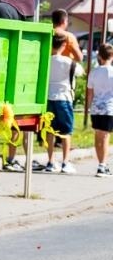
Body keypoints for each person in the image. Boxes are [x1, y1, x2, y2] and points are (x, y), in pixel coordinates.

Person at [39, 31, 80, 173]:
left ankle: (50, 161)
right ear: (64, 45)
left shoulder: (46, 61)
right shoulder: (69, 62)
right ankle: (65, 162)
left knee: (50, 131)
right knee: (66, 131)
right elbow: (80, 71)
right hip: (64, 98)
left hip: (49, 98)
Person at [89, 42, 113, 177]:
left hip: (96, 108)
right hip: (109, 108)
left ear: (99, 56)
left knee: (98, 136)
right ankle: (102, 166)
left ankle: (100, 163)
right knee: (105, 137)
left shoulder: (94, 72)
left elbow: (90, 92)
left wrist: (89, 108)